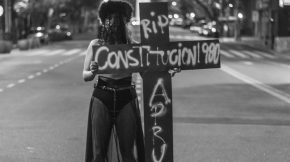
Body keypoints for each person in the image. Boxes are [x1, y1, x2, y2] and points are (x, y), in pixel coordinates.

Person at [83, 1, 145, 162]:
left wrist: (166, 74)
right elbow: (85, 75)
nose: (115, 23)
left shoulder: (133, 47)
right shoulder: (96, 45)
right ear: (105, 22)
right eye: (110, 18)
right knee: (98, 153)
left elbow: (147, 74)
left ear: (126, 22)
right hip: (102, 96)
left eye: (119, 18)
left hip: (126, 96)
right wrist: (93, 71)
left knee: (128, 153)